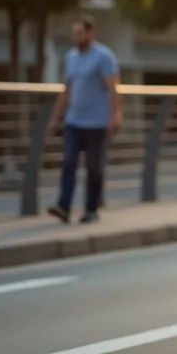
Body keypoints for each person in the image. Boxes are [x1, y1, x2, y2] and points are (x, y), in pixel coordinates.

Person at [46, 14, 121, 224]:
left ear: (90, 33)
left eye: (79, 33)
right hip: (73, 121)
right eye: (74, 33)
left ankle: (91, 209)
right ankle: (64, 206)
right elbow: (67, 90)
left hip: (97, 123)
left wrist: (114, 115)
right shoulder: (71, 57)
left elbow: (113, 89)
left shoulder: (104, 56)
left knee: (94, 168)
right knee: (68, 162)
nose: (75, 37)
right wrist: (55, 117)